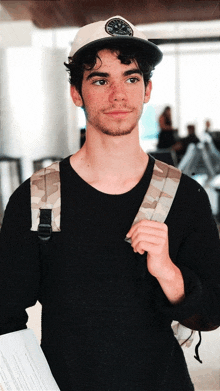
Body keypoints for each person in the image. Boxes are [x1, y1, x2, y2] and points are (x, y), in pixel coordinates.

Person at [1, 15, 220, 391]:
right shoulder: (38, 198)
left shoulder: (185, 196)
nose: (118, 95)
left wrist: (167, 270)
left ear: (147, 90)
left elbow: (210, 314)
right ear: (76, 93)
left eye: (131, 78)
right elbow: (4, 313)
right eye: (100, 80)